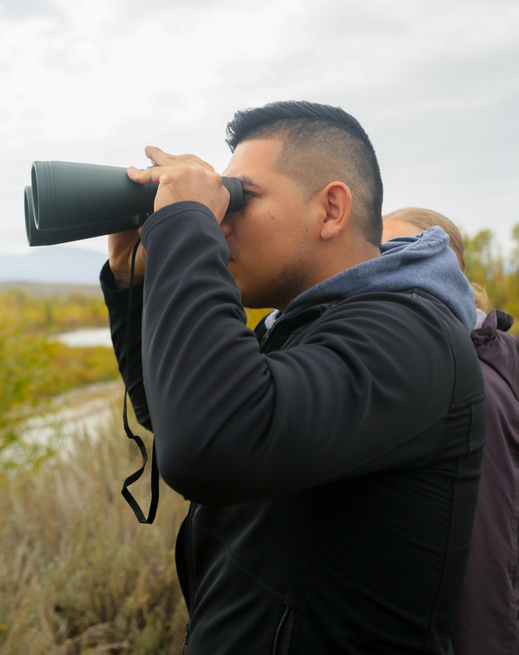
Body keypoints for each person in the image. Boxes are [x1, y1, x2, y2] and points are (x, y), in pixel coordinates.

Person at [101, 101, 486, 654]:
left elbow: (215, 443)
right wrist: (133, 281)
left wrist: (187, 226)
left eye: (241, 196)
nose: (223, 219)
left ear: (331, 209)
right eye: (219, 200)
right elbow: (178, 416)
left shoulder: (408, 337)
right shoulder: (304, 325)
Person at [382, 207, 519, 655]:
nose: (384, 271)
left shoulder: (472, 383)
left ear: (450, 270)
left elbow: (486, 555)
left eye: (404, 254)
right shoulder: (474, 356)